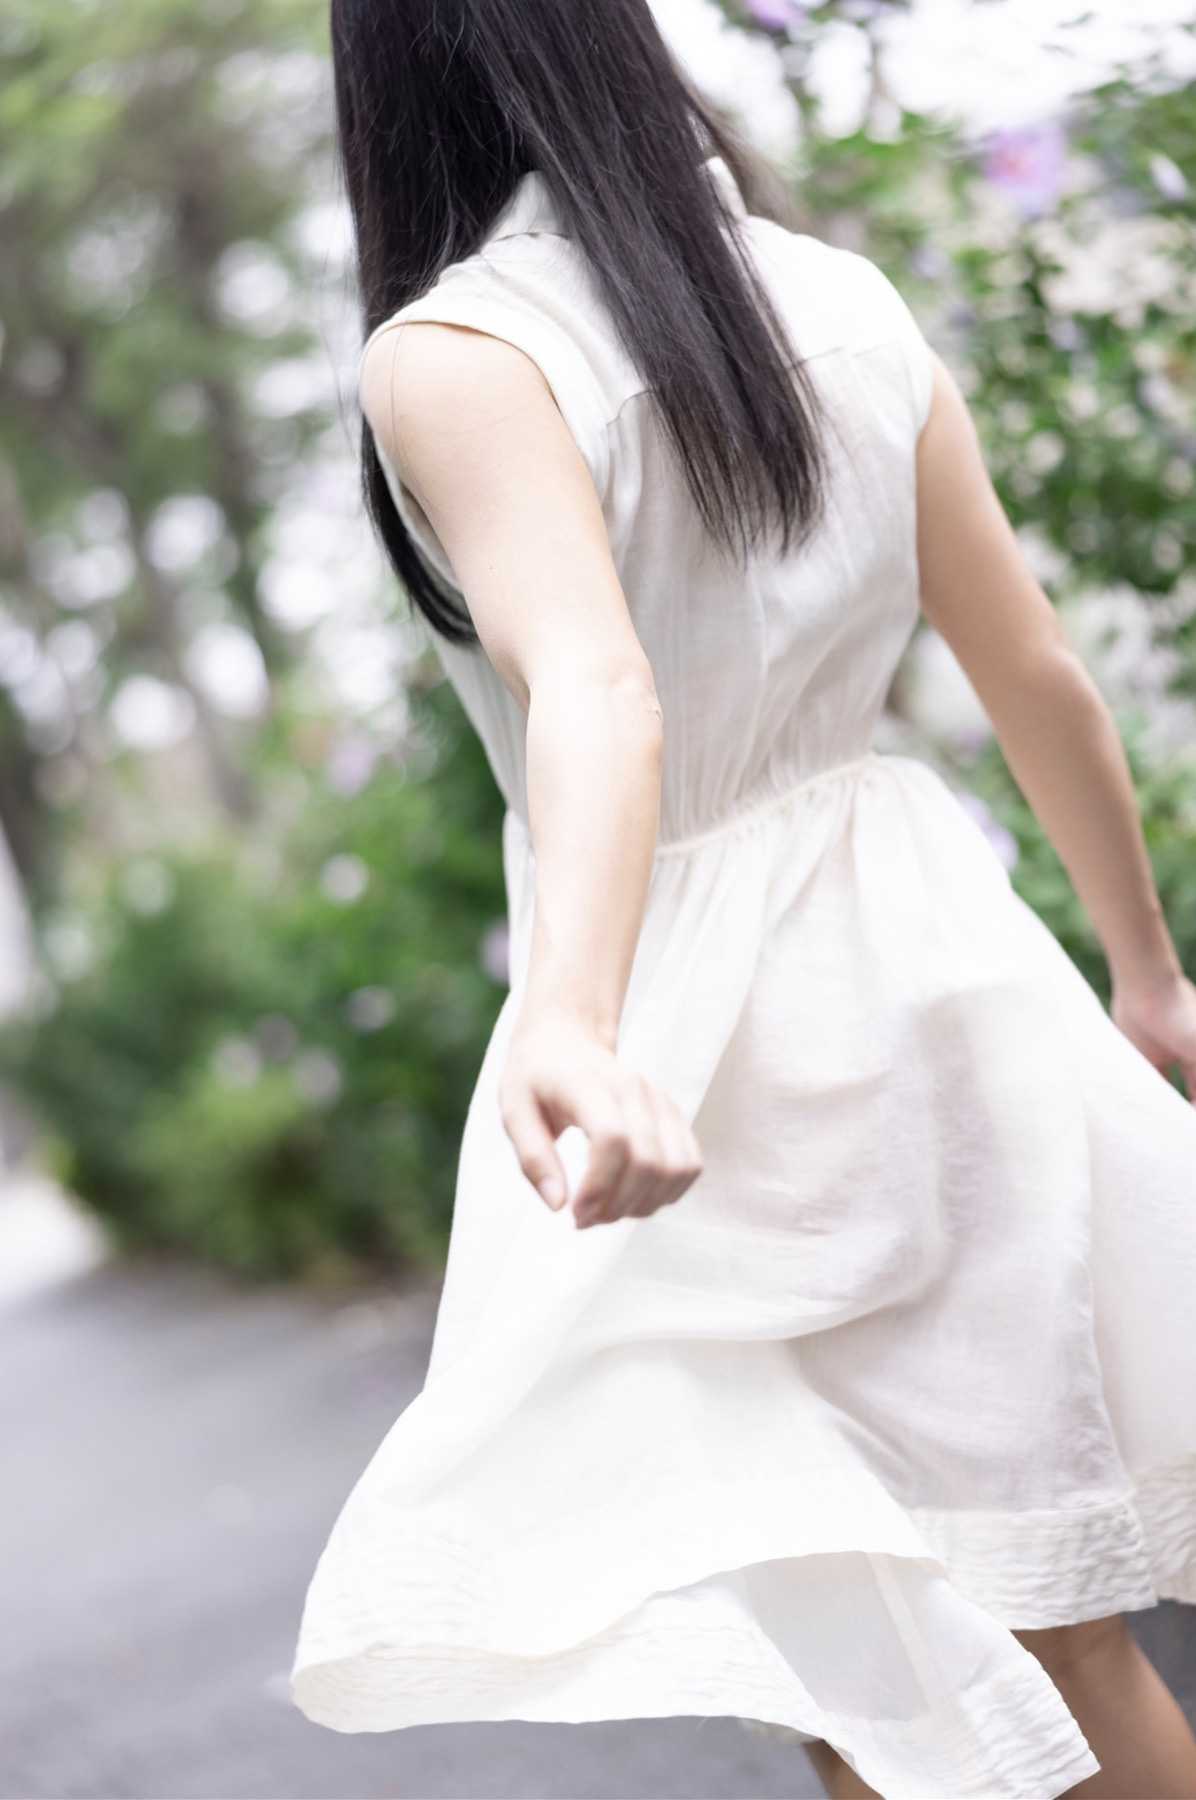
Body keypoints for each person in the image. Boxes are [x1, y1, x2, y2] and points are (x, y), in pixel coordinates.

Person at [290, 3, 1196, 1794]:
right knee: (1060, 1635)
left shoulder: (459, 351)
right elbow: (1035, 670)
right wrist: (1146, 973)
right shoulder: (836, 297)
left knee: (859, 1669)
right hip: (937, 972)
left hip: (711, 1047)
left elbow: (598, 686)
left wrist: (569, 1017)